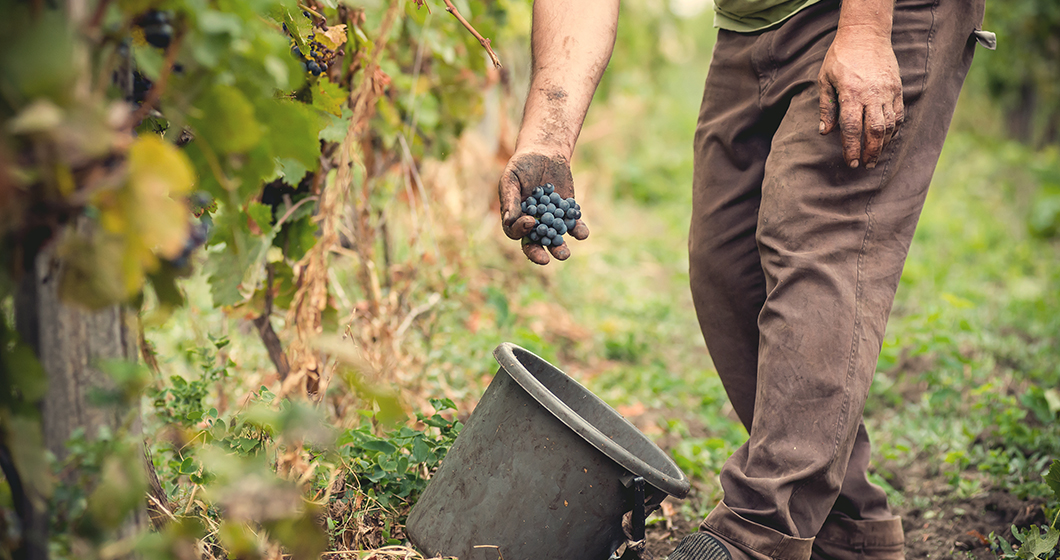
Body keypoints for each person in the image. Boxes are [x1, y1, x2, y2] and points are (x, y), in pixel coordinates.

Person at [497, 0, 992, 558]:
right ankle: (847, 534)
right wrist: (548, 138)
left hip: (878, 13)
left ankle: (760, 533)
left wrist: (865, 28)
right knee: (724, 264)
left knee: (818, 239)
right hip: (752, 22)